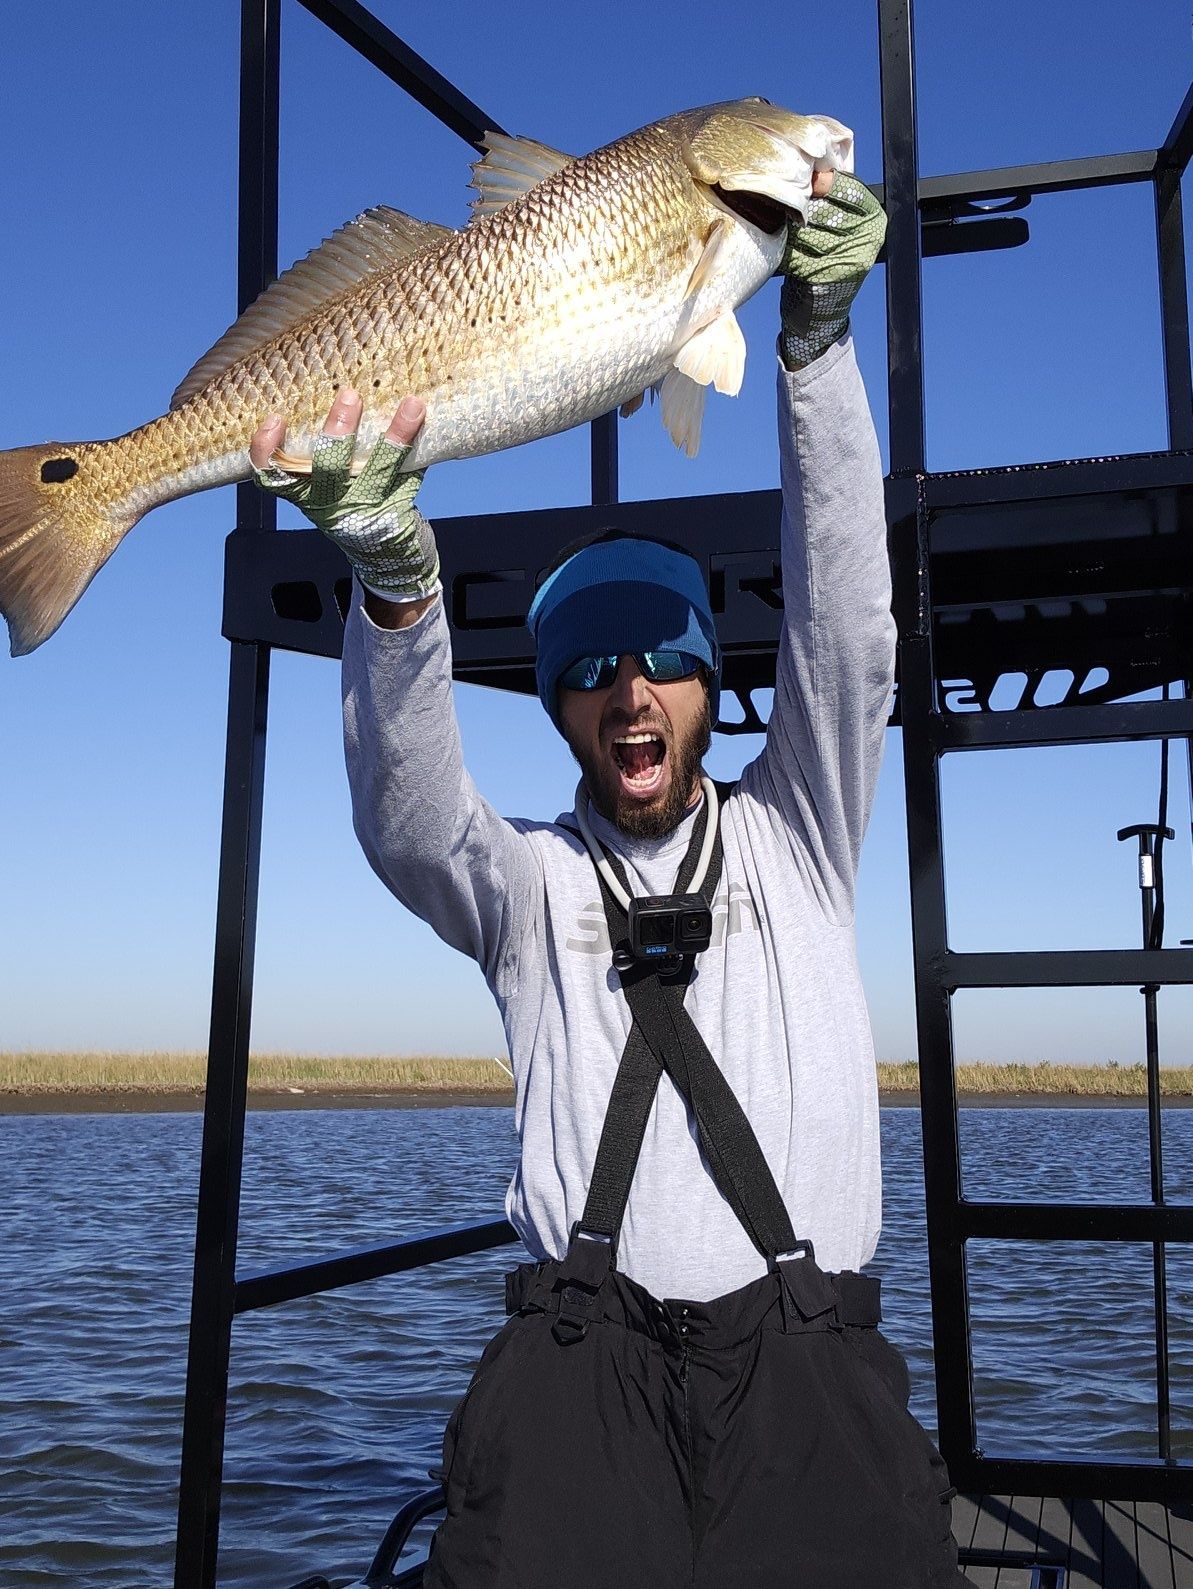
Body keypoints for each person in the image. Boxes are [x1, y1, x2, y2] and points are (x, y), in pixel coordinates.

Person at [252, 172, 973, 1588]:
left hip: (809, 1383)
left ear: (713, 685)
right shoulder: (528, 888)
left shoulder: (800, 833)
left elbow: (847, 631)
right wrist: (397, 590)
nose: (624, 689)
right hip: (577, 1379)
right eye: (585, 668)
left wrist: (815, 355)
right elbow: (409, 819)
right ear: (562, 711)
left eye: (659, 657)